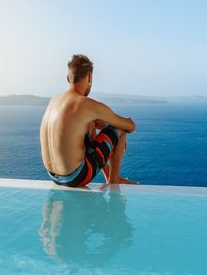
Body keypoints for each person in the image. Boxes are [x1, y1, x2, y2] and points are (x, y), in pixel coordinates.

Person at [40, 54, 138, 187]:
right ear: (90, 77)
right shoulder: (86, 104)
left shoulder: (54, 100)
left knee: (89, 123)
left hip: (53, 176)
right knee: (119, 128)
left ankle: (108, 175)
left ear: (68, 78)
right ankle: (114, 179)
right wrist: (121, 125)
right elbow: (130, 126)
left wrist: (95, 122)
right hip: (76, 177)